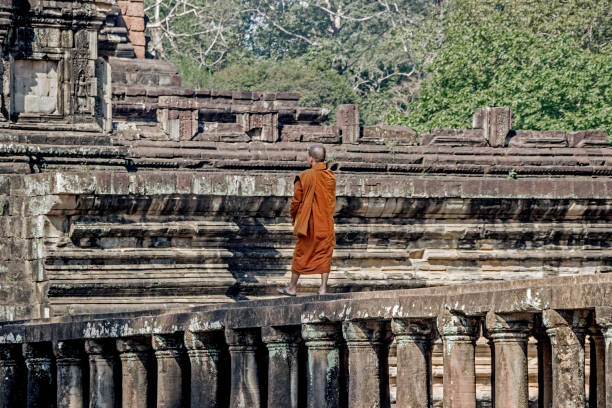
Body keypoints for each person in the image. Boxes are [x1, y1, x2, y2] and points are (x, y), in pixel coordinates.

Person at [277, 144, 336, 296]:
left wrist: (294, 216)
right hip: (326, 224)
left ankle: (292, 287)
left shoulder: (304, 176)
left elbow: (296, 201)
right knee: (324, 254)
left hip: (310, 225)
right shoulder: (330, 176)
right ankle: (323, 289)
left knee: (301, 254)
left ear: (311, 159)